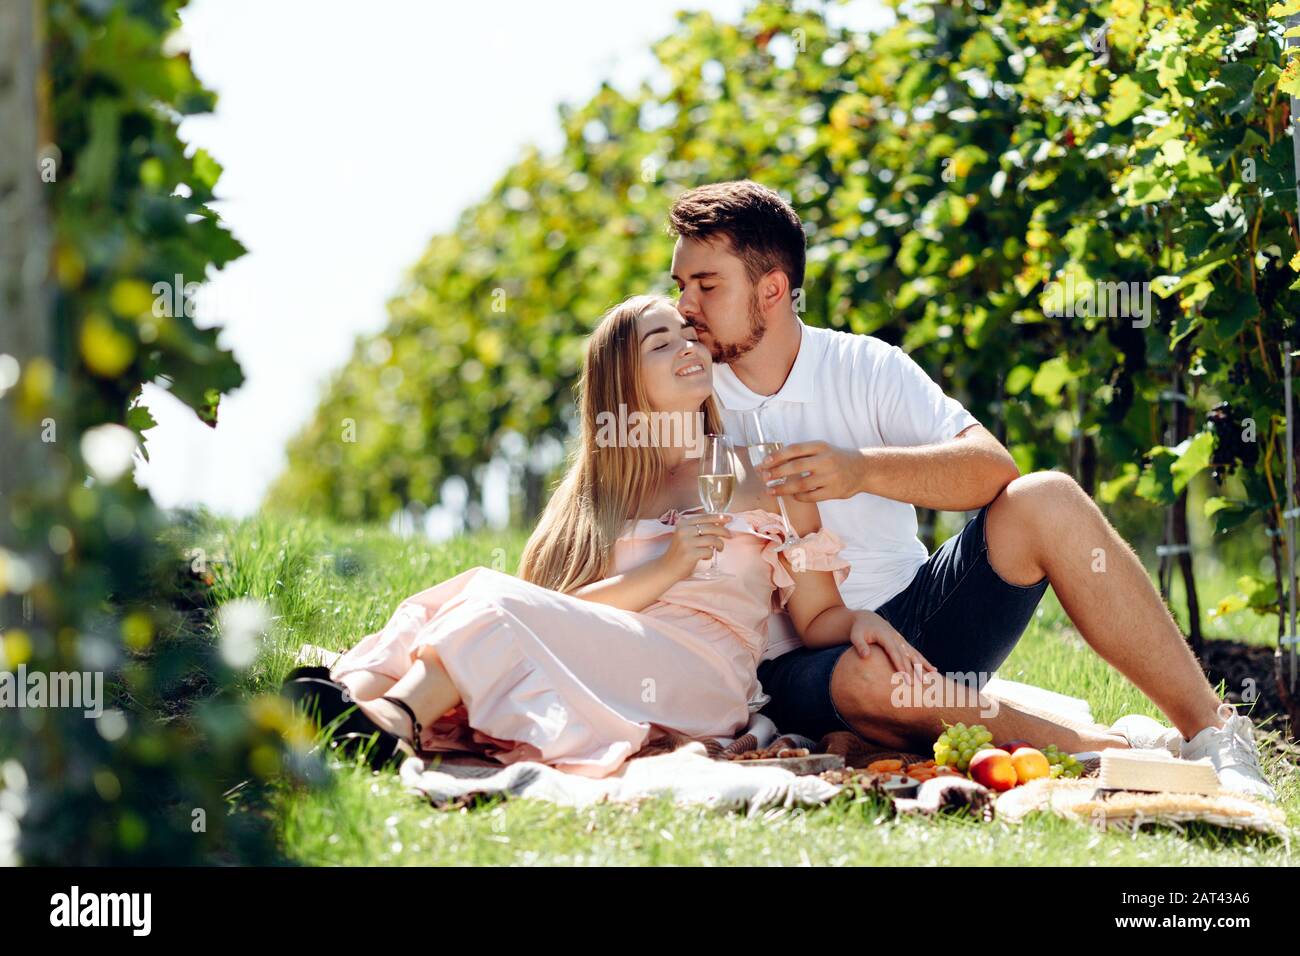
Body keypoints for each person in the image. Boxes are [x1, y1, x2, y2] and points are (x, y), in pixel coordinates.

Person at [667, 179, 1276, 801]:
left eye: (706, 285)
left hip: (921, 618)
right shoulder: (686, 388)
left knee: (1047, 497)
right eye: (680, 286)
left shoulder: (864, 366)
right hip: (800, 664)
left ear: (771, 289)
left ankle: (1212, 732)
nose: (685, 305)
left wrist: (861, 469)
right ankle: (1115, 752)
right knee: (872, 680)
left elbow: (989, 468)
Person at [282, 294, 935, 777]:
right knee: (461, 599)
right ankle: (351, 705)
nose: (689, 347)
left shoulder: (769, 469)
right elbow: (567, 615)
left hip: (701, 674)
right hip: (617, 652)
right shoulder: (596, 501)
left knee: (491, 599)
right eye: (662, 343)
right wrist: (668, 567)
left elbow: (816, 613)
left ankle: (391, 721)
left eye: (689, 334)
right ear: (623, 380)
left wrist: (854, 625)